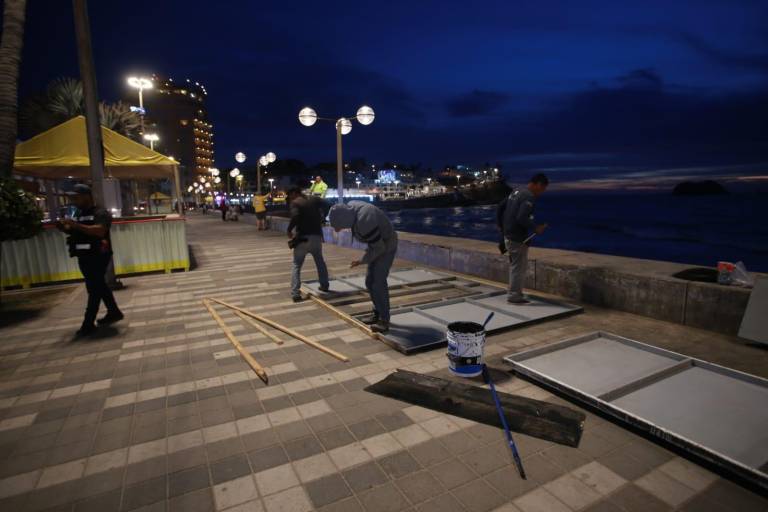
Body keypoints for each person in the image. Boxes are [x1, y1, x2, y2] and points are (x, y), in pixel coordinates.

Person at [56, 184, 123, 337]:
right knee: (99, 285)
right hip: (84, 255)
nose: (73, 200)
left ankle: (88, 323)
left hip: (98, 255)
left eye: (76, 197)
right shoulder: (79, 213)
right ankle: (114, 312)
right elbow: (77, 231)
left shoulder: (100, 213)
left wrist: (76, 225)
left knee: (93, 289)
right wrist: (65, 228)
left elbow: (100, 231)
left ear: (87, 196)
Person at [329, 201, 397, 333]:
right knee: (369, 281)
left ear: (344, 219)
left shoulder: (365, 220)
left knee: (378, 282)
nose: (338, 229)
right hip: (376, 246)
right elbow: (375, 246)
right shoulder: (351, 209)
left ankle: (384, 320)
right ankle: (377, 312)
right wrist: (364, 259)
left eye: (339, 226)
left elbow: (380, 248)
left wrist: (362, 260)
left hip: (386, 246)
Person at [496, 173, 549, 304]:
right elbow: (521, 217)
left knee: (515, 266)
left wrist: (500, 225)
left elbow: (500, 207)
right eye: (542, 189)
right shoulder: (529, 196)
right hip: (517, 238)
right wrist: (536, 228)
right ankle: (514, 296)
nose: (541, 193)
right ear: (538, 184)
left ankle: (514, 293)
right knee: (518, 268)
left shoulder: (517, 191)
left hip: (508, 235)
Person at [286, 187, 330, 302]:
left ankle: (295, 293)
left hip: (302, 238)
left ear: (294, 193)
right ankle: (324, 285)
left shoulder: (296, 203)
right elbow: (328, 204)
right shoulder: (314, 199)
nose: (290, 199)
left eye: (290, 196)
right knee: (320, 262)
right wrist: (323, 217)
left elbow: (295, 216)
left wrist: (289, 230)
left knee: (296, 265)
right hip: (316, 237)